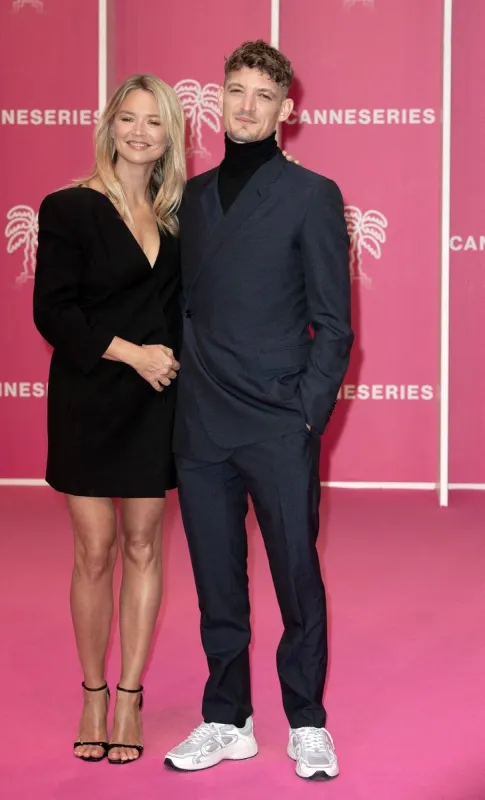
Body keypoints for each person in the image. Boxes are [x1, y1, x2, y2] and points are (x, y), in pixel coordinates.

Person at [164, 40, 353, 781]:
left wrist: (305, 411)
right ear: (220, 98)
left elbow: (333, 324)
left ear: (287, 110)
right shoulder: (193, 198)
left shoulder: (311, 195)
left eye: (262, 95)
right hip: (203, 424)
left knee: (295, 578)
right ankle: (226, 717)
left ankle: (306, 720)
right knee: (216, 582)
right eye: (235, 91)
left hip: (277, 422)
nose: (245, 105)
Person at [33, 74, 185, 764]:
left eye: (154, 122)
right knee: (94, 551)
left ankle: (129, 695)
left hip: (154, 402)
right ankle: (92, 689)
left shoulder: (179, 217)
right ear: (109, 125)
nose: (139, 132)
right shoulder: (68, 207)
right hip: (92, 393)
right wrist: (133, 356)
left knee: (144, 548)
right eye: (128, 118)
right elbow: (54, 312)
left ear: (169, 136)